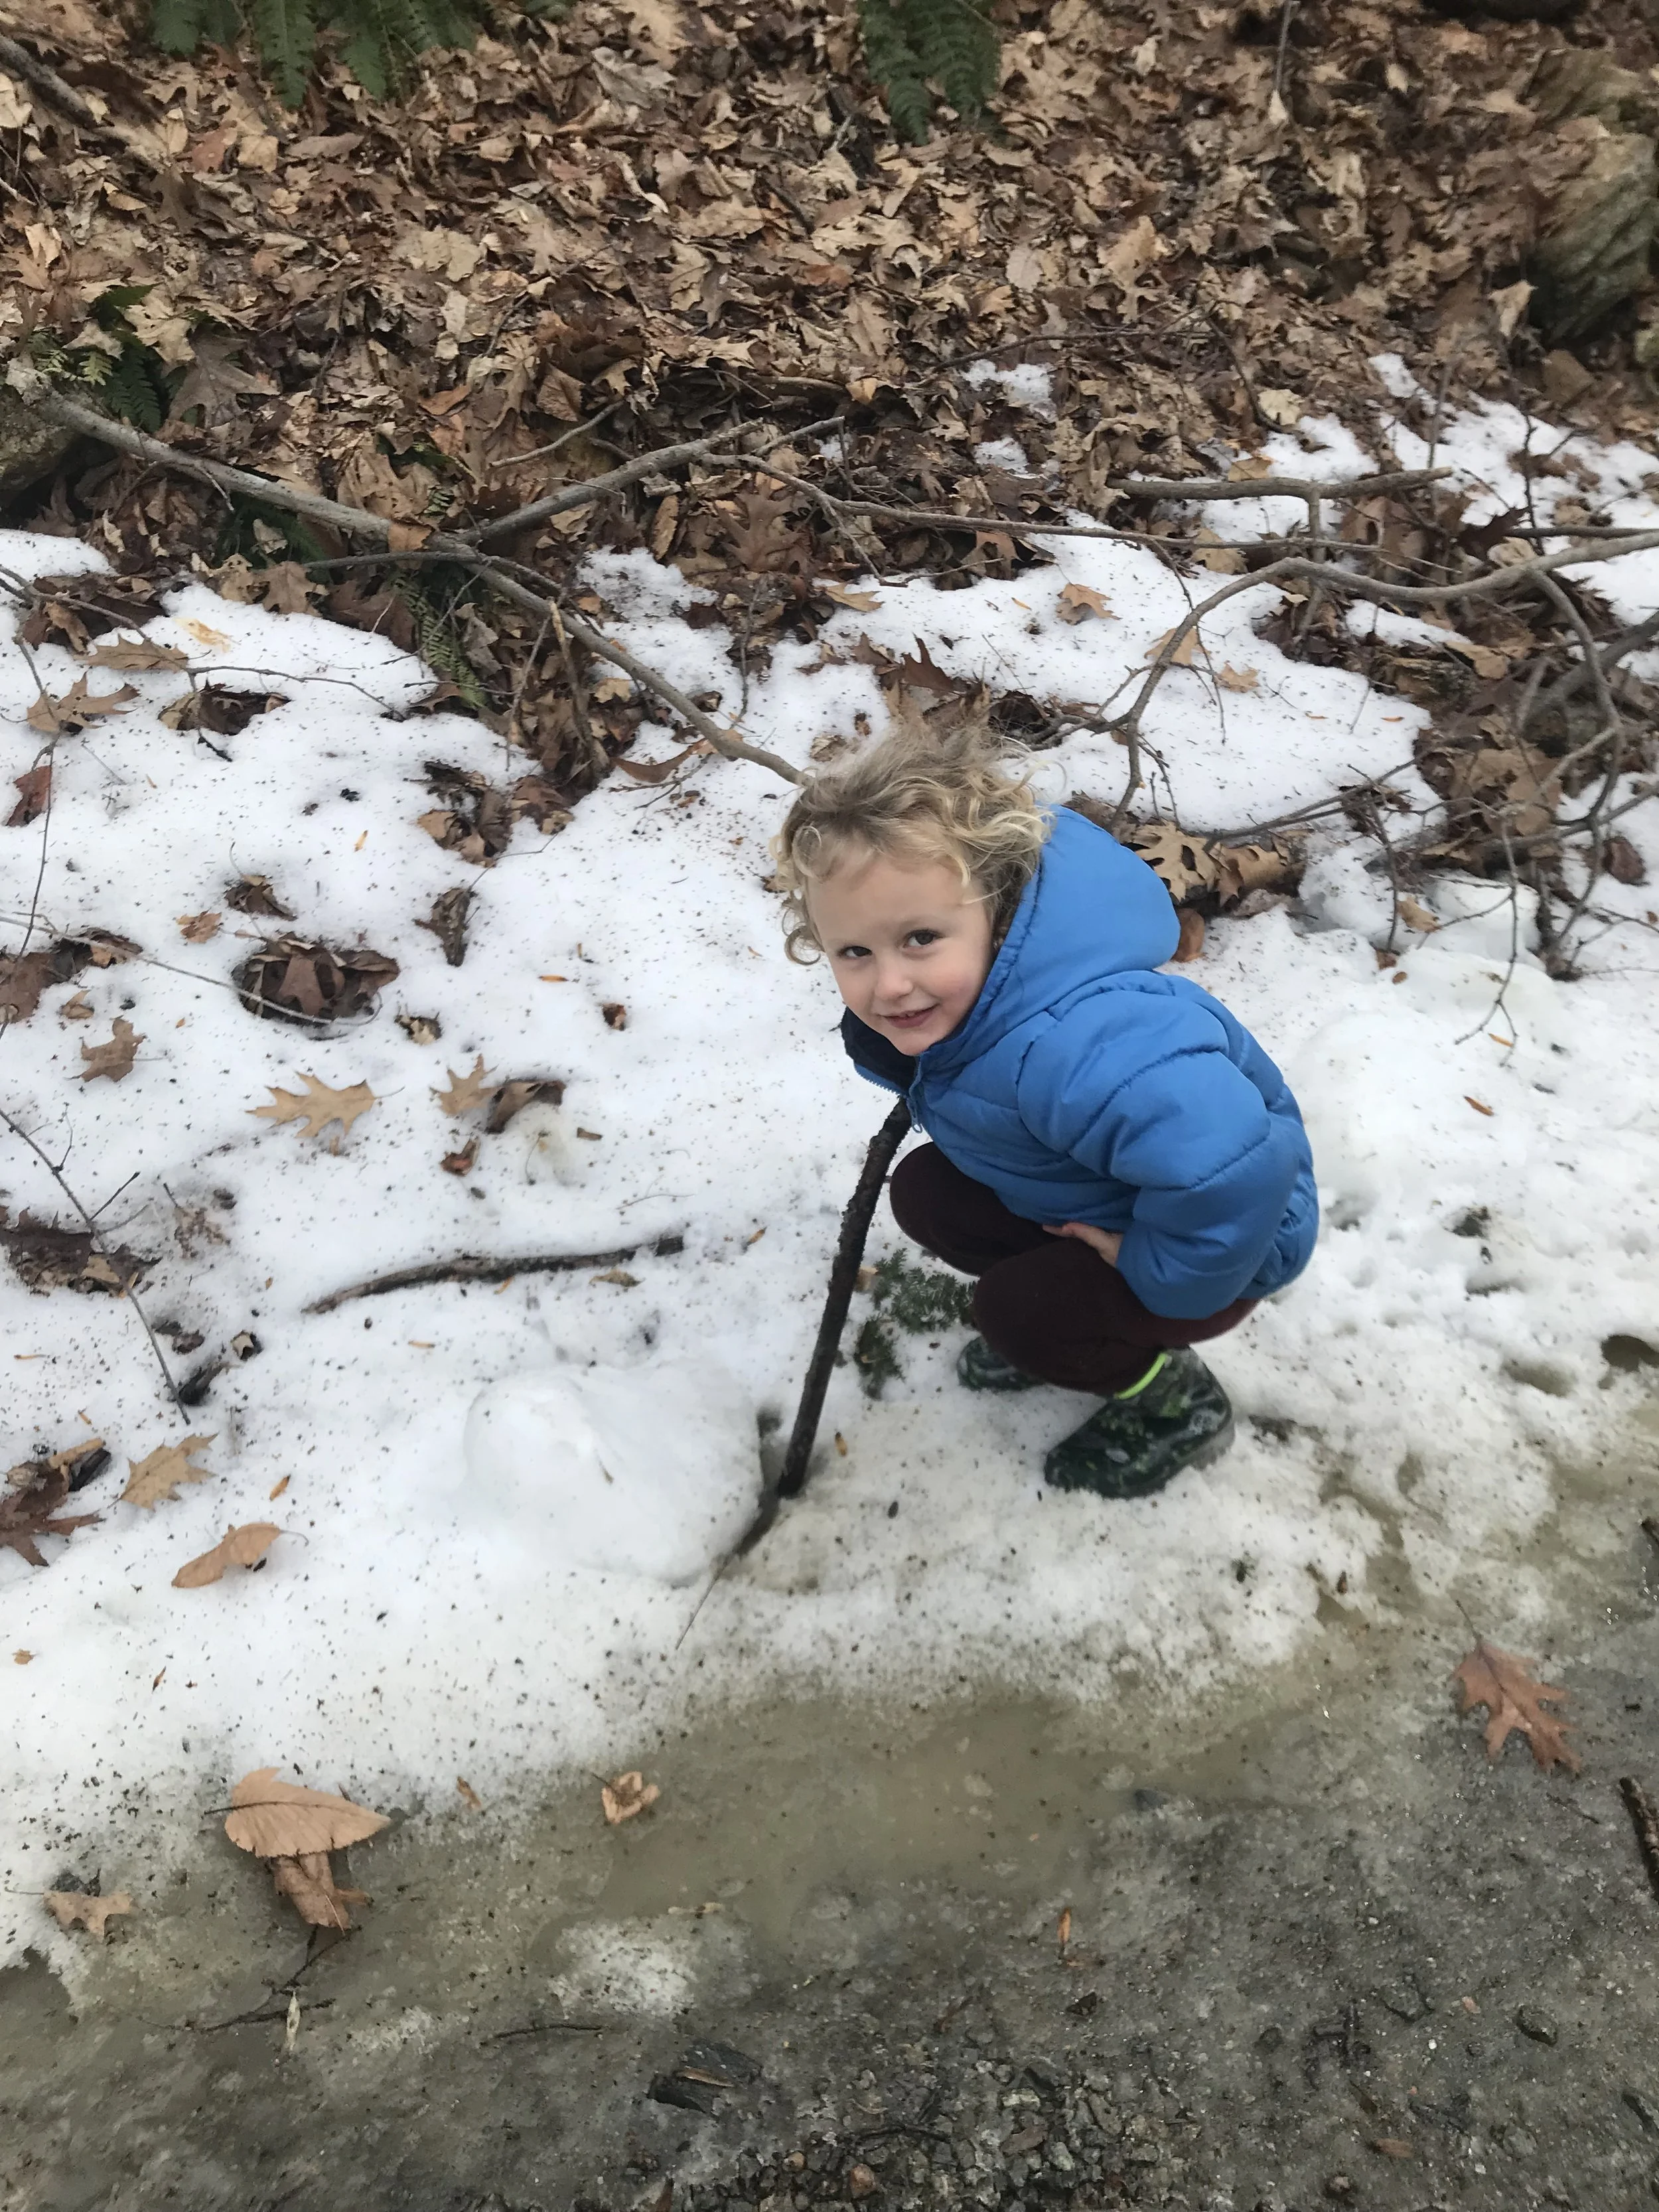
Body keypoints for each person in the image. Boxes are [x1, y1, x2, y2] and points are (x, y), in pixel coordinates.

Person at [769, 722, 1317, 1499]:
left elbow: (1235, 1170)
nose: (886, 985)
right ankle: (1077, 1317)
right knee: (928, 1191)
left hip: (1231, 1247)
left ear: (999, 917)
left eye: (920, 938)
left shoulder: (1083, 1043)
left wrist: (1154, 1270)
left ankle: (1169, 1398)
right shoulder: (987, 1012)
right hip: (1119, 1194)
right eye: (854, 952)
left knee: (1019, 1316)